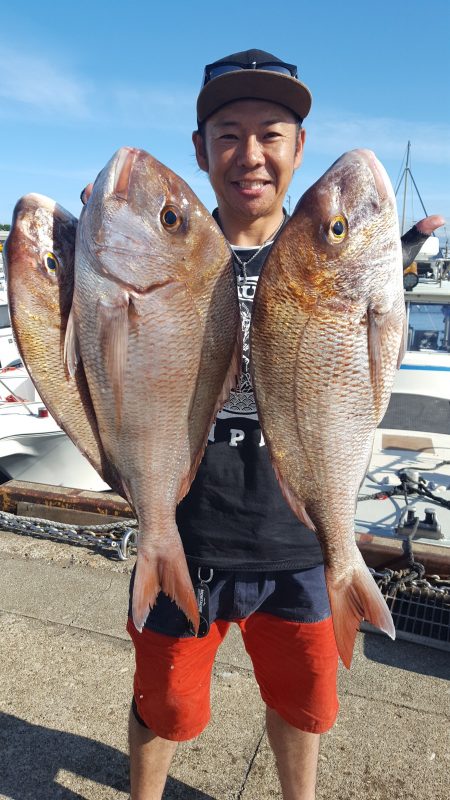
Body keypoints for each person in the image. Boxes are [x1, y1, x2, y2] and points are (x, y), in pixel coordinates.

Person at [81, 49, 444, 800]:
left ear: (298, 148)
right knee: (165, 704)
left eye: (271, 134)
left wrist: (399, 256)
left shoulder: (321, 254)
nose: (250, 155)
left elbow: (375, 342)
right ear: (200, 150)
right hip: (188, 531)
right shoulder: (171, 252)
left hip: (301, 542)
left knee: (303, 704)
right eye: (227, 134)